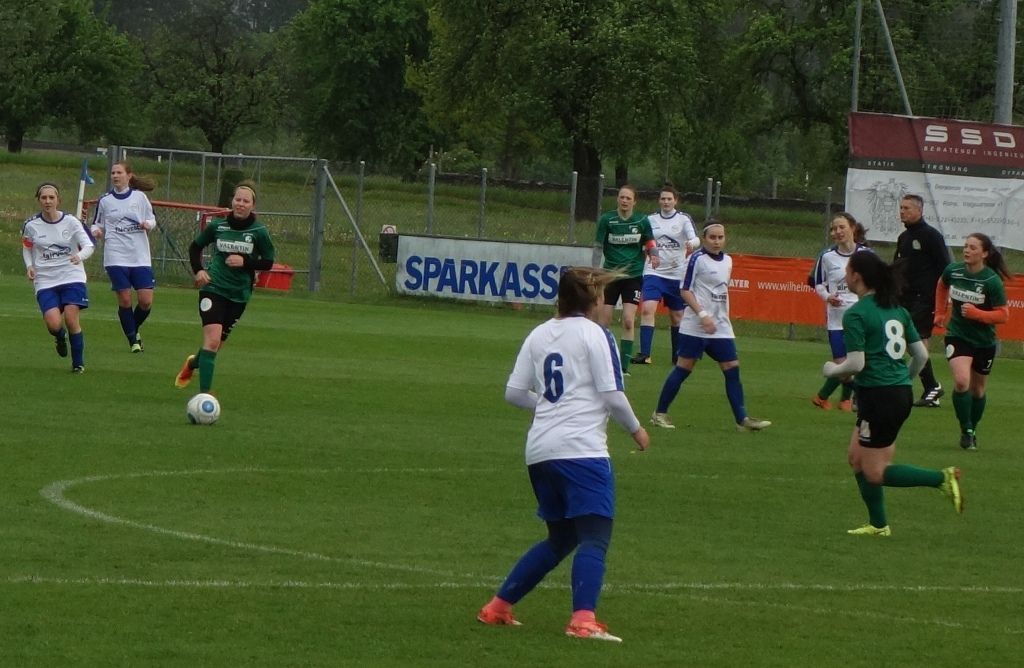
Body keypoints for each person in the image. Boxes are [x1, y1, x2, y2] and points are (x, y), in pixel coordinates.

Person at [477, 266, 650, 643]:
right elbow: (612, 394)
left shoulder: (539, 333)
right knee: (595, 535)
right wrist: (637, 429)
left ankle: (498, 607)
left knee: (561, 538)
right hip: (581, 451)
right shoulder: (595, 334)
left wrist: (547, 405)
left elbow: (513, 393)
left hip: (540, 451)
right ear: (594, 299)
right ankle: (583, 620)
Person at [822, 251, 963, 537]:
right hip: (894, 394)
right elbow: (921, 356)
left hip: (880, 398)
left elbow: (856, 363)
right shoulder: (897, 310)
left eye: (847, 271)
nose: (845, 275)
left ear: (856, 276)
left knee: (875, 471)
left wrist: (831, 370)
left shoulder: (857, 314)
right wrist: (901, 381)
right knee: (856, 458)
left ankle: (941, 478)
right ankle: (878, 525)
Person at [650, 221, 771, 431]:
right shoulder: (696, 259)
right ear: (704, 239)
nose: (717, 241)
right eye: (712, 237)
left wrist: (717, 316)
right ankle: (659, 413)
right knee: (683, 369)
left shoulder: (728, 261)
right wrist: (703, 315)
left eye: (720, 237)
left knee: (732, 368)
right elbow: (685, 290)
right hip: (695, 326)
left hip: (720, 327)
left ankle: (742, 420)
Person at [174, 180, 275, 394]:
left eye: (245, 201)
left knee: (215, 346)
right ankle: (205, 396)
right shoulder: (217, 226)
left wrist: (245, 262)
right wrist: (198, 270)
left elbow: (268, 262)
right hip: (213, 287)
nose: (240, 204)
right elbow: (195, 247)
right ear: (232, 201)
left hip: (239, 294)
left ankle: (192, 363)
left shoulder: (259, 232)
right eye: (238, 199)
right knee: (211, 342)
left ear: (253, 206)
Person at [933, 233, 1010, 451]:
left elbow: (1003, 315)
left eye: (973, 248)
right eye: (966, 246)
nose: (967, 250)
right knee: (961, 381)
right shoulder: (954, 270)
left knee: (977, 391)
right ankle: (966, 429)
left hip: (984, 341)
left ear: (984, 253)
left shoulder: (991, 281)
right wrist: (940, 312)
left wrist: (978, 314)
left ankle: (972, 429)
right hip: (957, 334)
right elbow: (941, 285)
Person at [21, 183, 95, 373]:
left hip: (72, 275)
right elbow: (27, 247)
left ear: (58, 200)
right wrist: (29, 266)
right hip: (45, 279)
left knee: (71, 318)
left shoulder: (71, 222)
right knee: (54, 325)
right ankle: (60, 337)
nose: (48, 201)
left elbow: (89, 246)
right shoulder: (31, 225)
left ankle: (78, 364)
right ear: (39, 200)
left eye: (51, 197)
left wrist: (79, 256)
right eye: (44, 198)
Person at [90, 161, 158, 352]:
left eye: (119, 172)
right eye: (113, 173)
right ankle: (133, 341)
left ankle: (132, 329)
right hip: (115, 256)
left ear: (129, 176)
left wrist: (147, 224)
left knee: (145, 301)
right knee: (126, 299)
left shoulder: (140, 197)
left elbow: (152, 219)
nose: (115, 176)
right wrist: (96, 231)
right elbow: (96, 224)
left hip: (139, 256)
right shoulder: (105, 200)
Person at [593, 184, 659, 375]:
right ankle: (602, 363)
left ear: (634, 201)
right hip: (611, 275)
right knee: (604, 321)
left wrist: (654, 255)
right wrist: (596, 271)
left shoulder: (642, 221)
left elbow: (649, 241)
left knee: (629, 321)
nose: (624, 201)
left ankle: (623, 367)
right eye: (622, 197)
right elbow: (598, 246)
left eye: (628, 198)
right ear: (617, 199)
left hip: (633, 275)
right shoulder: (607, 220)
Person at [893, 194, 952, 407]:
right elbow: (897, 268)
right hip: (904, 298)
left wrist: (943, 300)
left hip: (924, 298)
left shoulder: (931, 236)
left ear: (919, 210)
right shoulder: (903, 237)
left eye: (907, 208)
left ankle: (930, 386)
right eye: (901, 207)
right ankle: (931, 389)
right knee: (912, 343)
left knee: (915, 340)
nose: (902, 211)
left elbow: (945, 268)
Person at [810, 213, 872, 411]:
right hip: (836, 320)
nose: (837, 232)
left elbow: (876, 282)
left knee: (857, 364)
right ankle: (856, 397)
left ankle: (836, 398)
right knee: (842, 364)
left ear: (852, 228)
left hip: (862, 318)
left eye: (841, 227)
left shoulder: (867, 255)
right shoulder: (827, 256)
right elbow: (818, 284)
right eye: (833, 229)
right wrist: (828, 297)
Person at [631, 185, 698, 366]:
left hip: (676, 274)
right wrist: (648, 252)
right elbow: (644, 240)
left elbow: (696, 238)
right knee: (647, 309)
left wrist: (692, 243)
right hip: (653, 272)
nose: (666, 202)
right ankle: (645, 354)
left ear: (676, 201)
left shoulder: (683, 219)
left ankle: (677, 356)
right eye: (663, 199)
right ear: (659, 200)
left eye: (669, 199)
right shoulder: (650, 219)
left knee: (677, 316)